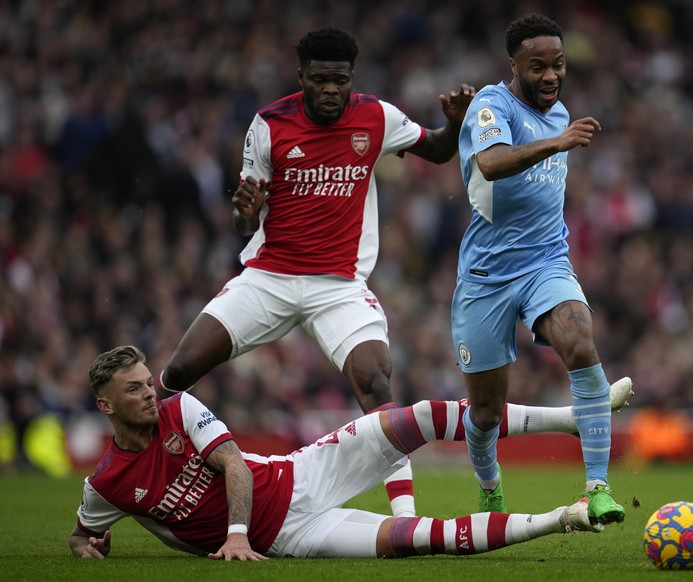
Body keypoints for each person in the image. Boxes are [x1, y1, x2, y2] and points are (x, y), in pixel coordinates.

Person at [158, 27, 476, 518]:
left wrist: (453, 126)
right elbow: (245, 218)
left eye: (340, 80)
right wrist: (246, 210)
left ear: (352, 78)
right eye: (321, 79)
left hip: (339, 286)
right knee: (177, 372)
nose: (331, 89)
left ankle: (407, 522)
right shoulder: (268, 124)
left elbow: (435, 149)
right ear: (301, 76)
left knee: (377, 384)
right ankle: (137, 477)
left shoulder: (376, 116)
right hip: (269, 278)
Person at [69, 346, 633, 559]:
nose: (150, 393)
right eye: (134, 389)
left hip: (300, 476)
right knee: (417, 541)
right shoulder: (108, 484)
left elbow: (235, 465)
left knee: (419, 417)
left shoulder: (179, 408)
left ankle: (578, 418)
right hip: (291, 539)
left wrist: (234, 537)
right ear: (105, 406)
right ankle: (564, 519)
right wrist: (86, 546)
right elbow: (79, 531)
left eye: (148, 382)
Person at [452, 14, 628, 525]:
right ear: (513, 66)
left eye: (559, 65)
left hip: (546, 261)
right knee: (485, 413)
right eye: (538, 67)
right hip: (486, 277)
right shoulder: (492, 105)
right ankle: (490, 490)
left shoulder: (560, 114)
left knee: (580, 341)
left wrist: (560, 136)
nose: (551, 76)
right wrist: (558, 142)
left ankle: (598, 487)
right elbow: (491, 164)